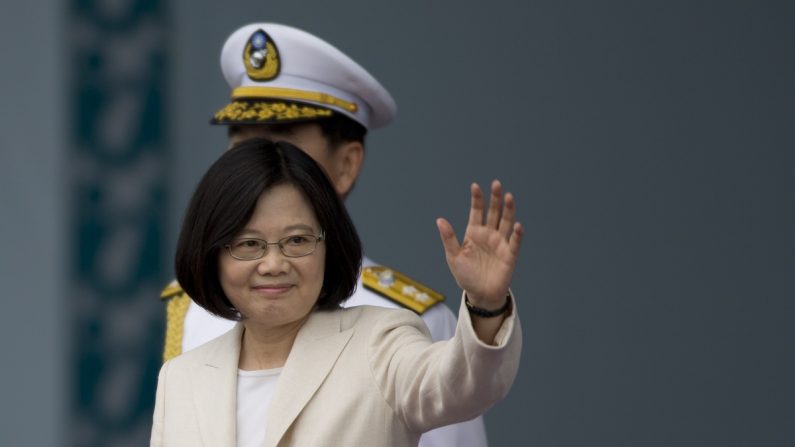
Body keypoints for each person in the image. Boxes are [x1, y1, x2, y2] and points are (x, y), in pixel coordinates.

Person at [159, 23, 488, 445]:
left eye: (284, 143)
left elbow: (466, 389)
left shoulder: (400, 324)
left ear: (346, 164)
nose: (261, 164)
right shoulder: (193, 318)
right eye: (243, 145)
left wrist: (486, 306)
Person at [151, 140, 523, 447]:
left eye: (297, 240)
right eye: (248, 244)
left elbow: (463, 386)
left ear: (330, 246)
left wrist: (486, 305)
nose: (274, 263)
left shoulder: (380, 344)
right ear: (211, 253)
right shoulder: (181, 378)